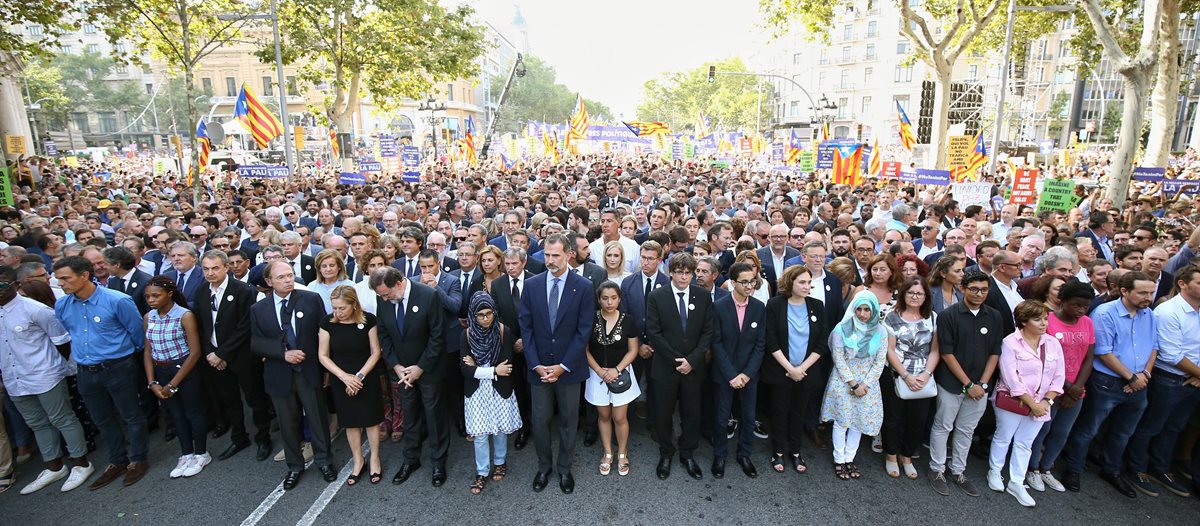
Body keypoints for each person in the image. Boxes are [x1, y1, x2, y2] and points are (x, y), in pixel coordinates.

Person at [52, 256, 150, 490]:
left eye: (65, 278)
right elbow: (70, 331)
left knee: (131, 415)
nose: (61, 284)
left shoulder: (118, 300)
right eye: (58, 279)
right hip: (85, 370)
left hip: (118, 367)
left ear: (84, 275)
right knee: (102, 419)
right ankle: (117, 461)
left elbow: (137, 334)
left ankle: (138, 459)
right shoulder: (63, 305)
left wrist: (120, 355)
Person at [1061, 271, 1159, 498]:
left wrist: (1144, 374)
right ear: (1125, 291)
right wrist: (1131, 378)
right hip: (1108, 383)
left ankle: (1111, 469)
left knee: (1124, 432)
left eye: (1151, 292)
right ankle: (1073, 469)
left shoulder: (1149, 315)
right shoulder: (1104, 313)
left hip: (1139, 383)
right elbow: (1103, 352)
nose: (1148, 297)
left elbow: (1154, 345)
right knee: (1089, 429)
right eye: (1142, 292)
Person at [0, 265, 93, 494]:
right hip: (15, 379)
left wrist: (55, 368)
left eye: (2, 284)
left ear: (14, 284)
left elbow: (62, 341)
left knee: (62, 418)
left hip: (44, 374)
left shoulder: (36, 309)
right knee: (37, 424)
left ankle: (81, 464)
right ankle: (54, 466)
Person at [519, 233, 595, 494]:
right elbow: (525, 329)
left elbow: (583, 331)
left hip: (569, 368)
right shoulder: (532, 285)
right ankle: (544, 467)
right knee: (539, 420)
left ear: (568, 255)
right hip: (539, 368)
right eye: (547, 255)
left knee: (568, 419)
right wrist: (536, 364)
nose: (550, 260)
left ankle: (564, 468)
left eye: (556, 255)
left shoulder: (584, 286)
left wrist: (563, 366)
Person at [249, 260, 334, 491]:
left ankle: (324, 461)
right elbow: (256, 343)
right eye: (282, 277)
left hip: (309, 371)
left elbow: (324, 334)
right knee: (288, 423)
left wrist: (326, 370)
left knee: (317, 418)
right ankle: (295, 466)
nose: (288, 280)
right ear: (269, 282)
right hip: (280, 373)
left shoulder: (310, 299)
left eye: (290, 275)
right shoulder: (259, 309)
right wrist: (282, 354)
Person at [1123, 265, 1200, 497]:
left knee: (1174, 427)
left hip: (1193, 380)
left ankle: (1160, 468)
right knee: (1151, 426)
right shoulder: (1169, 311)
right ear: (1182, 284)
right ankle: (1136, 468)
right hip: (1169, 379)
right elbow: (1171, 354)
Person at [927, 270, 1004, 497]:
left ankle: (958, 470)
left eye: (984, 290)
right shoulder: (948, 315)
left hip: (980, 386)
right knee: (943, 426)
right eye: (974, 289)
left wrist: (981, 383)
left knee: (966, 430)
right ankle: (937, 469)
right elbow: (947, 353)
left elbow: (994, 352)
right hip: (951, 383)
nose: (979, 294)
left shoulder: (994, 316)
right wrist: (968, 384)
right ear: (963, 288)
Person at [371, 266, 448, 487]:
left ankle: (438, 463)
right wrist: (395, 365)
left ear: (398, 283)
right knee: (410, 416)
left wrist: (420, 368)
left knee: (434, 418)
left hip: (429, 369)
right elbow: (384, 334)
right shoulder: (383, 299)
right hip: (402, 371)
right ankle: (410, 459)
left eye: (387, 294)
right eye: (381, 296)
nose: (385, 299)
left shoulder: (428, 295)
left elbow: (437, 336)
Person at [194, 250, 273, 462]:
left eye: (215, 268)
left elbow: (245, 327)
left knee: (255, 399)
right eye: (206, 269)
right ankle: (239, 437)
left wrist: (222, 353)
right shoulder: (201, 292)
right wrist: (211, 353)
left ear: (226, 267)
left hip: (243, 357)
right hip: (216, 359)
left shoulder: (243, 291)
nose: (210, 273)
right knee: (229, 399)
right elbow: (201, 326)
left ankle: (263, 437)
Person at [987, 300, 1065, 507]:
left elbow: (1059, 377)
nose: (1043, 323)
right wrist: (1033, 404)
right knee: (1004, 436)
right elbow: (1011, 379)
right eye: (1037, 319)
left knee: (1025, 443)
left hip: (1043, 403)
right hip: (1014, 400)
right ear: (1023, 321)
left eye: (1045, 319)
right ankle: (994, 472)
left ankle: (1017, 482)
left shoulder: (1053, 343)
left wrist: (1047, 401)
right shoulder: (1010, 342)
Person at [646, 252, 714, 481]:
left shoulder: (703, 296)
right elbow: (654, 333)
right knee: (663, 414)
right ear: (671, 272)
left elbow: (708, 332)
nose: (684, 277)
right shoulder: (657, 296)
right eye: (679, 272)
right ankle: (666, 452)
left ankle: (688, 453)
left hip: (693, 369)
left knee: (691, 413)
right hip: (665, 367)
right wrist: (677, 361)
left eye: (688, 273)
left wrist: (692, 361)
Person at [1027, 280, 1095, 493]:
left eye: (1085, 306)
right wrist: (1065, 386)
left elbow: (1088, 358)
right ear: (1063, 301)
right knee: (1042, 428)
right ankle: (1033, 468)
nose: (1081, 310)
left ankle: (1047, 467)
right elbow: (1044, 358)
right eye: (1076, 305)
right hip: (1050, 386)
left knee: (1062, 431)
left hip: (1076, 389)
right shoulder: (1049, 322)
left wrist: (1076, 388)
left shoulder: (1087, 323)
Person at [762, 265, 829, 474]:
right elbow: (770, 340)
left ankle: (796, 450)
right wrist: (790, 368)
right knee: (780, 411)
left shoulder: (817, 306)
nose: (807, 286)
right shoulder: (775, 305)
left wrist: (801, 369)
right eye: (802, 282)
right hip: (781, 371)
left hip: (806, 373)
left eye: (809, 282)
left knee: (799, 412)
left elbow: (822, 342)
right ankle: (778, 450)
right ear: (790, 282)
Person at [141, 276, 209, 479]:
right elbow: (147, 351)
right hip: (160, 370)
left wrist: (173, 383)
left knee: (192, 412)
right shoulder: (148, 317)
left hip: (183, 369)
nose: (151, 300)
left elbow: (195, 352)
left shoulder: (184, 315)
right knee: (176, 414)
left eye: (156, 295)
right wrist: (152, 382)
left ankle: (201, 452)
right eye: (148, 296)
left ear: (169, 294)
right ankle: (186, 453)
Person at [822, 291, 893, 480]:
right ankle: (839, 459)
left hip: (868, 383)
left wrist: (865, 385)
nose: (862, 314)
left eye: (867, 309)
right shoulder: (841, 329)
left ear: (874, 310)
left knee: (858, 422)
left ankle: (849, 458)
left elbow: (880, 361)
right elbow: (838, 358)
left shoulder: (881, 331)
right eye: (859, 309)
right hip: (844, 380)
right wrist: (854, 384)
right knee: (841, 421)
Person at [317, 286, 384, 486]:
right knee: (350, 421)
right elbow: (323, 355)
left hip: (366, 376)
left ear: (353, 304)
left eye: (342, 308)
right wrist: (344, 377)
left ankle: (374, 458)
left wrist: (360, 376)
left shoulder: (369, 319)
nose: (337, 312)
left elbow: (375, 352)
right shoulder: (327, 323)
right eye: (335, 308)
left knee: (371, 420)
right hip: (341, 378)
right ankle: (358, 460)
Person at [459, 293, 521, 495]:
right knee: (479, 434)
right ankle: (482, 471)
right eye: (480, 315)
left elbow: (507, 366)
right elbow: (465, 369)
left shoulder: (504, 331)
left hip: (498, 389)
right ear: (472, 316)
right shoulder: (466, 335)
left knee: (501, 430)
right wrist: (493, 371)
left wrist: (479, 368)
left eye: (489, 314)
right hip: (477, 392)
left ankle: (500, 462)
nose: (486, 319)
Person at [710, 262, 766, 479]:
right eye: (744, 282)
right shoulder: (719, 306)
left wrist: (746, 374)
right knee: (722, 417)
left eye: (752, 281)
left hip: (749, 374)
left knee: (749, 417)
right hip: (725, 373)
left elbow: (760, 345)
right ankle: (720, 455)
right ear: (733, 283)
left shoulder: (759, 307)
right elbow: (716, 343)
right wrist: (732, 375)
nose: (749, 285)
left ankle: (745, 454)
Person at [882, 278, 940, 480]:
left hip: (923, 377)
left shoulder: (932, 317)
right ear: (903, 294)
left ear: (926, 296)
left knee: (918, 420)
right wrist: (905, 375)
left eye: (919, 293)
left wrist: (926, 374)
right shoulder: (891, 317)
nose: (915, 297)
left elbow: (935, 350)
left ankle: (906, 456)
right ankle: (891, 455)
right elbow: (889, 350)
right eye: (911, 292)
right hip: (897, 375)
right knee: (893, 418)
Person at [584, 282, 640, 477]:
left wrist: (617, 369)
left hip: (622, 374)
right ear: (599, 300)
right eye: (605, 298)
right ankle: (608, 452)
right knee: (604, 416)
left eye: (613, 298)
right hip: (597, 375)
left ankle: (622, 453)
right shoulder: (590, 319)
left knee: (619, 417)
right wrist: (600, 371)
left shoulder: (628, 321)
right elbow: (585, 350)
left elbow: (633, 350)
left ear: (619, 299)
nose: (609, 302)